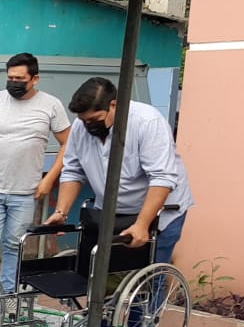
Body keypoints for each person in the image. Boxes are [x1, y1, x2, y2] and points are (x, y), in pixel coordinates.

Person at [0, 52, 72, 315]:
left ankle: (9, 296)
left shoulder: (51, 105)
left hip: (25, 191)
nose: (14, 83)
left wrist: (49, 178)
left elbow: (69, 143)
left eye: (20, 79)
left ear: (35, 79)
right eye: (10, 78)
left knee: (13, 244)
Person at [45, 76, 194, 264]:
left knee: (148, 272)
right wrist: (61, 212)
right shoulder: (80, 127)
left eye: (94, 119)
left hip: (157, 212)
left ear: (114, 105)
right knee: (102, 268)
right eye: (84, 120)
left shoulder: (147, 122)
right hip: (110, 212)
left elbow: (162, 177)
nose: (88, 125)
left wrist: (142, 224)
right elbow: (73, 170)